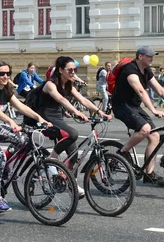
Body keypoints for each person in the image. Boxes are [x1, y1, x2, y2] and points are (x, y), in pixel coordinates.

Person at [0, 61, 51, 213]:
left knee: (23, 140)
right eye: (2, 73)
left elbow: (21, 106)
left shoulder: (5, 90)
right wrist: (10, 121)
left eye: (8, 73)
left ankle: (4, 166)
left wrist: (40, 118)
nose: (5, 76)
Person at [112, 46, 164, 185]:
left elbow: (159, 89)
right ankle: (121, 153)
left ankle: (149, 174)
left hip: (134, 106)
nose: (152, 58)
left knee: (155, 136)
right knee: (145, 129)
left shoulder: (146, 71)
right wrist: (153, 110)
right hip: (121, 106)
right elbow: (141, 91)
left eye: (153, 55)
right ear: (140, 56)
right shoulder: (131, 70)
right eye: (149, 56)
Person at [34, 56, 109, 197]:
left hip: (57, 117)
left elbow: (83, 100)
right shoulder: (50, 84)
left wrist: (101, 112)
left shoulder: (69, 84)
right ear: (61, 70)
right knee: (73, 134)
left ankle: (70, 182)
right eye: (70, 70)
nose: (73, 73)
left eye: (75, 70)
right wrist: (76, 112)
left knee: (74, 154)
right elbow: (61, 99)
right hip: (46, 118)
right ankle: (50, 161)